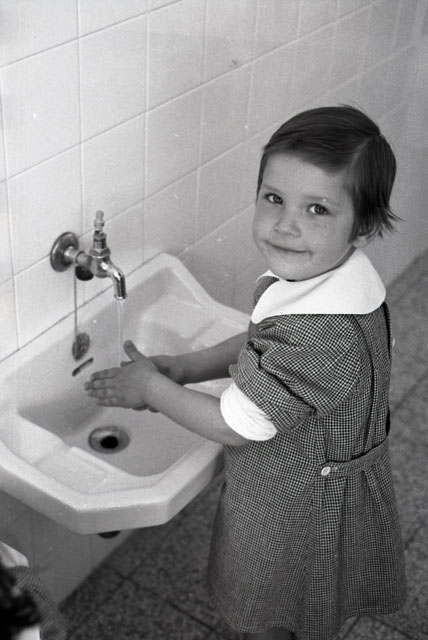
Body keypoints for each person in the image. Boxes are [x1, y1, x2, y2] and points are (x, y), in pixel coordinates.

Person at [84, 105, 406, 640]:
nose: (286, 224)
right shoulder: (330, 280)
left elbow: (235, 424)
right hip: (314, 486)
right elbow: (264, 338)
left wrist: (151, 387)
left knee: (272, 614)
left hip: (296, 513)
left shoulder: (321, 333)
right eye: (274, 198)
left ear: (364, 225)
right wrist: (186, 367)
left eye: (317, 209)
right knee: (297, 608)